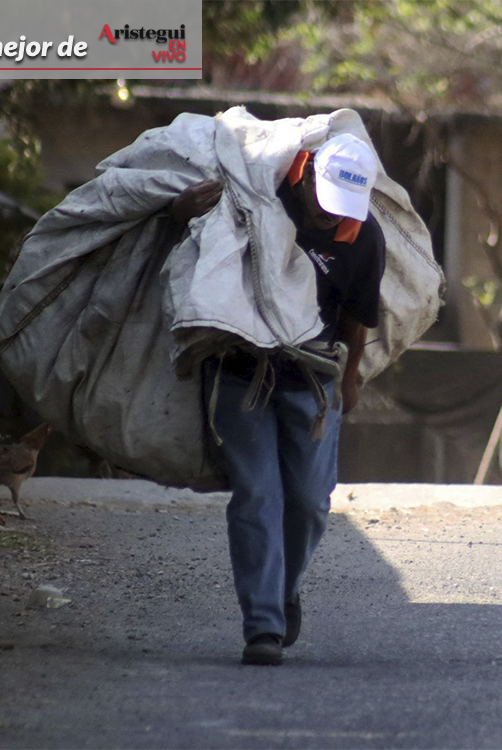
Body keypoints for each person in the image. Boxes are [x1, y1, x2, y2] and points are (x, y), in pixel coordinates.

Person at [169, 133, 387, 665]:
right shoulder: (258, 196)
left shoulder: (363, 236)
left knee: (310, 502)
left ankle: (285, 590)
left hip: (312, 380)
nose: (330, 217)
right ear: (307, 174)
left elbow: (358, 318)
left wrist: (351, 377)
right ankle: (262, 625)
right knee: (257, 494)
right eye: (325, 201)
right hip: (242, 373)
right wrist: (179, 211)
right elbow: (200, 245)